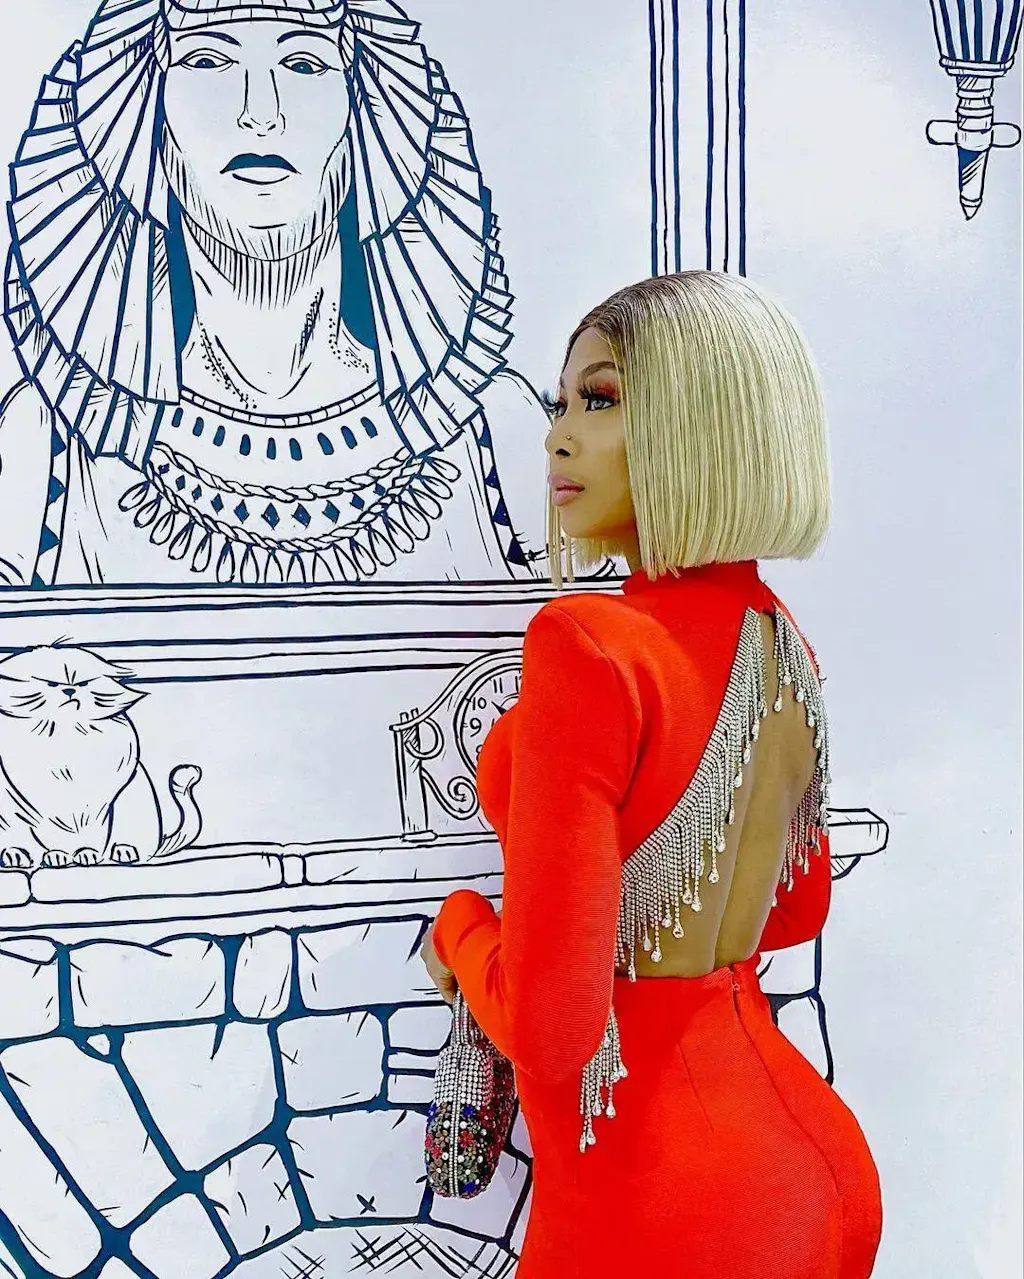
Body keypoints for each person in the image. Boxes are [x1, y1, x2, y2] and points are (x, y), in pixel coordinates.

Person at [421, 271, 882, 1277]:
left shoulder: (586, 644)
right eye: (559, 405)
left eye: (601, 401)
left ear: (701, 425)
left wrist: (458, 928)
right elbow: (795, 908)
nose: (558, 437)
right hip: (812, 1167)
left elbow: (549, 1031)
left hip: (658, 1199)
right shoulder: (781, 639)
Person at [0, 0, 545, 587]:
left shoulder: (490, 427)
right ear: (141, 111)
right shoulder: (52, 439)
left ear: (368, 108)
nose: (260, 115)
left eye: (305, 64)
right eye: (208, 61)